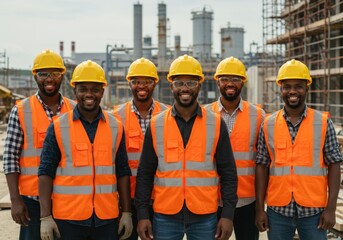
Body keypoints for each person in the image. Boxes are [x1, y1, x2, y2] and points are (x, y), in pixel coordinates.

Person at [135, 54, 238, 240]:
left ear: (199, 85)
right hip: (165, 215)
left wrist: (228, 214)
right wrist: (142, 214)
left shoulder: (215, 123)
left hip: (204, 215)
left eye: (190, 83)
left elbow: (228, 172)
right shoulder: (156, 124)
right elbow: (145, 173)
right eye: (179, 83)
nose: (184, 88)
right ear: (171, 85)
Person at [38, 60, 133, 240]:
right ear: (75, 91)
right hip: (68, 220)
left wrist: (127, 213)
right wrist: (45, 217)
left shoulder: (116, 126)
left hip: (107, 218)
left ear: (102, 92)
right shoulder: (58, 127)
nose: (89, 94)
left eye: (95, 89)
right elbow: (45, 172)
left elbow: (122, 171)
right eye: (83, 89)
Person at [255, 59, 343, 240]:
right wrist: (259, 209)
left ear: (307, 89)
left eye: (298, 86)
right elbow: (262, 167)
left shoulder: (323, 122)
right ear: (280, 89)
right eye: (287, 86)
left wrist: (331, 208)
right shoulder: (268, 124)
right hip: (278, 211)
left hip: (314, 212)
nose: (292, 91)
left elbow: (335, 164)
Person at [3, 49, 76, 240]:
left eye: (55, 74)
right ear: (35, 76)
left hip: (69, 199)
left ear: (62, 76)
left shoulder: (75, 109)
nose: (49, 79)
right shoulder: (21, 111)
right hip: (32, 202)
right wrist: (15, 199)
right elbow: (10, 157)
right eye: (43, 74)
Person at [204, 56, 264, 240]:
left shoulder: (258, 115)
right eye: (225, 79)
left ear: (243, 82)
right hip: (212, 199)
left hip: (247, 200)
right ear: (218, 82)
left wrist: (261, 205)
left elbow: (263, 160)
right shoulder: (204, 114)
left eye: (235, 79)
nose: (230, 84)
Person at [113, 57, 169, 240]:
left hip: (160, 199)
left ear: (155, 83)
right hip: (125, 201)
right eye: (136, 81)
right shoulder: (115, 117)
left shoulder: (169, 115)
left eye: (147, 81)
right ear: (129, 83)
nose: (141, 86)